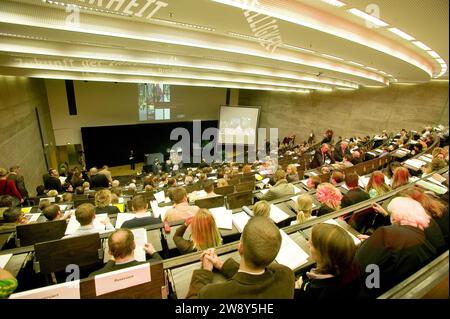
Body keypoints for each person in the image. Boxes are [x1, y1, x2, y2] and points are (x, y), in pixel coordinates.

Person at [186, 216, 295, 299]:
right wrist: (221, 265)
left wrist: (205, 272)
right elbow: (253, 278)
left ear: (240, 247)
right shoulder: (286, 275)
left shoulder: (212, 294)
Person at [356, 197, 439, 298]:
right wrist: (374, 243)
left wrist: (368, 245)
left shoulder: (387, 233)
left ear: (395, 216)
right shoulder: (421, 236)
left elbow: (363, 265)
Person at [295, 223, 360, 300]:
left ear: (324, 257)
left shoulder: (314, 291)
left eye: (312, 244)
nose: (307, 243)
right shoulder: (351, 265)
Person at [89, 229, 162, 277]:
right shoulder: (151, 266)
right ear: (133, 245)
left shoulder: (94, 277)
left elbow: (105, 270)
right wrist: (153, 252)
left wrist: (111, 261)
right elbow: (159, 262)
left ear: (110, 252)